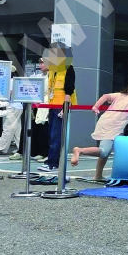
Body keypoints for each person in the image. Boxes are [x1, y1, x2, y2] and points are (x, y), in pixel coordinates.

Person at [71, 78, 128, 182]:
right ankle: (80, 150)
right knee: (104, 151)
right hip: (113, 127)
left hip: (105, 121)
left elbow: (105, 96)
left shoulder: (121, 95)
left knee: (106, 150)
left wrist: (96, 106)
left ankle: (98, 175)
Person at [36, 43, 77, 174]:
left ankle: (52, 163)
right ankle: (53, 162)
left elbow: (69, 90)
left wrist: (65, 108)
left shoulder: (68, 68)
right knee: (52, 134)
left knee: (56, 135)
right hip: (52, 105)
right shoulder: (52, 70)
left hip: (61, 106)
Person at [0, 59, 24, 156]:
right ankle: (22, 148)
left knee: (8, 128)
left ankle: (0, 148)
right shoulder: (15, 81)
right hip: (17, 106)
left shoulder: (10, 81)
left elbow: (9, 93)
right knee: (17, 129)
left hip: (13, 106)